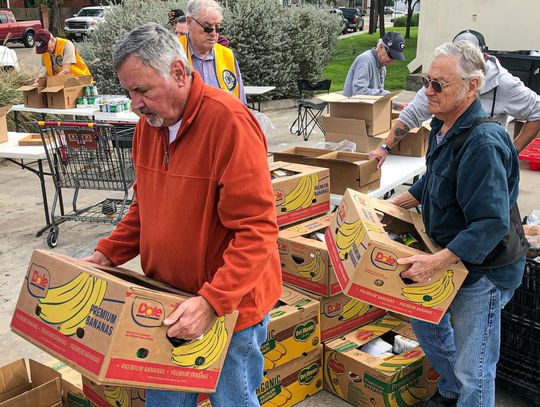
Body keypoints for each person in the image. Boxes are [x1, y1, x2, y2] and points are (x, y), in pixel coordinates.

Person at [82, 23, 281, 406]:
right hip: (168, 301)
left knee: (233, 400)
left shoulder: (230, 124)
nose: (134, 104)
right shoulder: (149, 127)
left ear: (177, 72)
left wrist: (212, 303)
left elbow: (257, 231)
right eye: (128, 92)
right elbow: (145, 208)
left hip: (230, 309)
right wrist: (104, 256)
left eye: (142, 90)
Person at [387, 42, 527, 407]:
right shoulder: (443, 125)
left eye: (438, 84)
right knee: (424, 322)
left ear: (472, 86)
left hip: (483, 270)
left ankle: (465, 393)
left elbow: (490, 223)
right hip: (449, 255)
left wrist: (436, 262)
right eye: (426, 81)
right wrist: (401, 200)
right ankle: (452, 392)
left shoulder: (482, 143)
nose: (427, 92)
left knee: (474, 366)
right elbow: (438, 175)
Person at [370, 29, 540, 166]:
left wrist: (512, 152)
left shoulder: (503, 84)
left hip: (483, 163)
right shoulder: (440, 79)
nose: (430, 91)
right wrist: (385, 147)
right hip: (446, 160)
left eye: (470, 59)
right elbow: (413, 113)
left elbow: (537, 110)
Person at [179, 0, 246, 103]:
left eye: (218, 27)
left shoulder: (227, 55)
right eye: (207, 27)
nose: (214, 33)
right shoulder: (173, 53)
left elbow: (241, 104)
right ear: (189, 22)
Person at [343, 31, 405, 97]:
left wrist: (396, 105)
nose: (392, 61)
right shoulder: (365, 60)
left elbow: (378, 97)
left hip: (368, 106)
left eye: (395, 59)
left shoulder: (383, 67)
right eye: (391, 56)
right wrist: (386, 94)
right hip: (352, 106)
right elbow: (359, 91)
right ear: (381, 47)